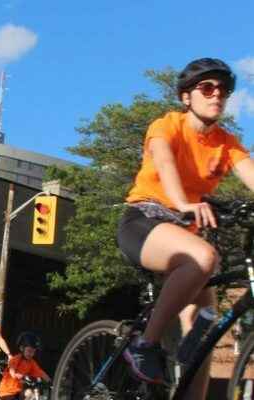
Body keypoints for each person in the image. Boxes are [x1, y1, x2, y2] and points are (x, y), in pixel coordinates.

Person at [117, 58, 245, 397]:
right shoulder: (167, 125)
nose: (216, 94)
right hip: (144, 222)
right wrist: (183, 202)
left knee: (203, 339)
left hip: (184, 236)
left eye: (223, 90)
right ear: (186, 97)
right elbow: (164, 162)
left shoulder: (226, 142)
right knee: (205, 258)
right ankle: (144, 345)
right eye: (207, 87)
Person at [0, 332, 50, 400]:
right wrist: (24, 377)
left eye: (33, 352)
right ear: (22, 348)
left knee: (30, 394)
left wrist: (50, 382)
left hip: (17, 392)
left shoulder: (31, 362)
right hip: (6, 392)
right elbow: (12, 373)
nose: (31, 354)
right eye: (29, 351)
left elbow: (40, 372)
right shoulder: (16, 359)